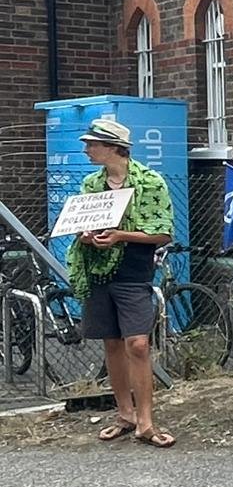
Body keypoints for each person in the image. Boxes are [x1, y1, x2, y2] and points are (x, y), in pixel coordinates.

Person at [71, 117, 176, 449]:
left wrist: (120, 236)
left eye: (92, 144)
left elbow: (163, 232)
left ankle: (146, 421)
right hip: (98, 270)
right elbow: (81, 225)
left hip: (133, 270)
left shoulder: (150, 181)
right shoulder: (91, 184)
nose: (86, 150)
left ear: (113, 147)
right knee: (112, 343)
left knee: (138, 344)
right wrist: (86, 236)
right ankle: (125, 415)